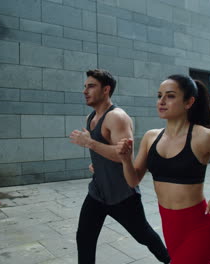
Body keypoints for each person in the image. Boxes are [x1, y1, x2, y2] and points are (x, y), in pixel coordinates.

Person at [116, 74, 210, 264]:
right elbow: (133, 180)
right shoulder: (150, 137)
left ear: (189, 102)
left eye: (170, 96)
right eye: (159, 95)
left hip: (200, 229)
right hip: (170, 227)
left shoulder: (204, 136)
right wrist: (126, 160)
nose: (161, 101)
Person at [69, 69, 171, 264]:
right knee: (84, 238)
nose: (85, 90)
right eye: (85, 86)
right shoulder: (90, 118)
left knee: (144, 236)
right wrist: (98, 165)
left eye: (91, 86)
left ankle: (170, 261)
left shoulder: (117, 117)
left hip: (122, 195)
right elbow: (105, 152)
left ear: (106, 90)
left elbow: (123, 156)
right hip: (97, 192)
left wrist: (90, 143)